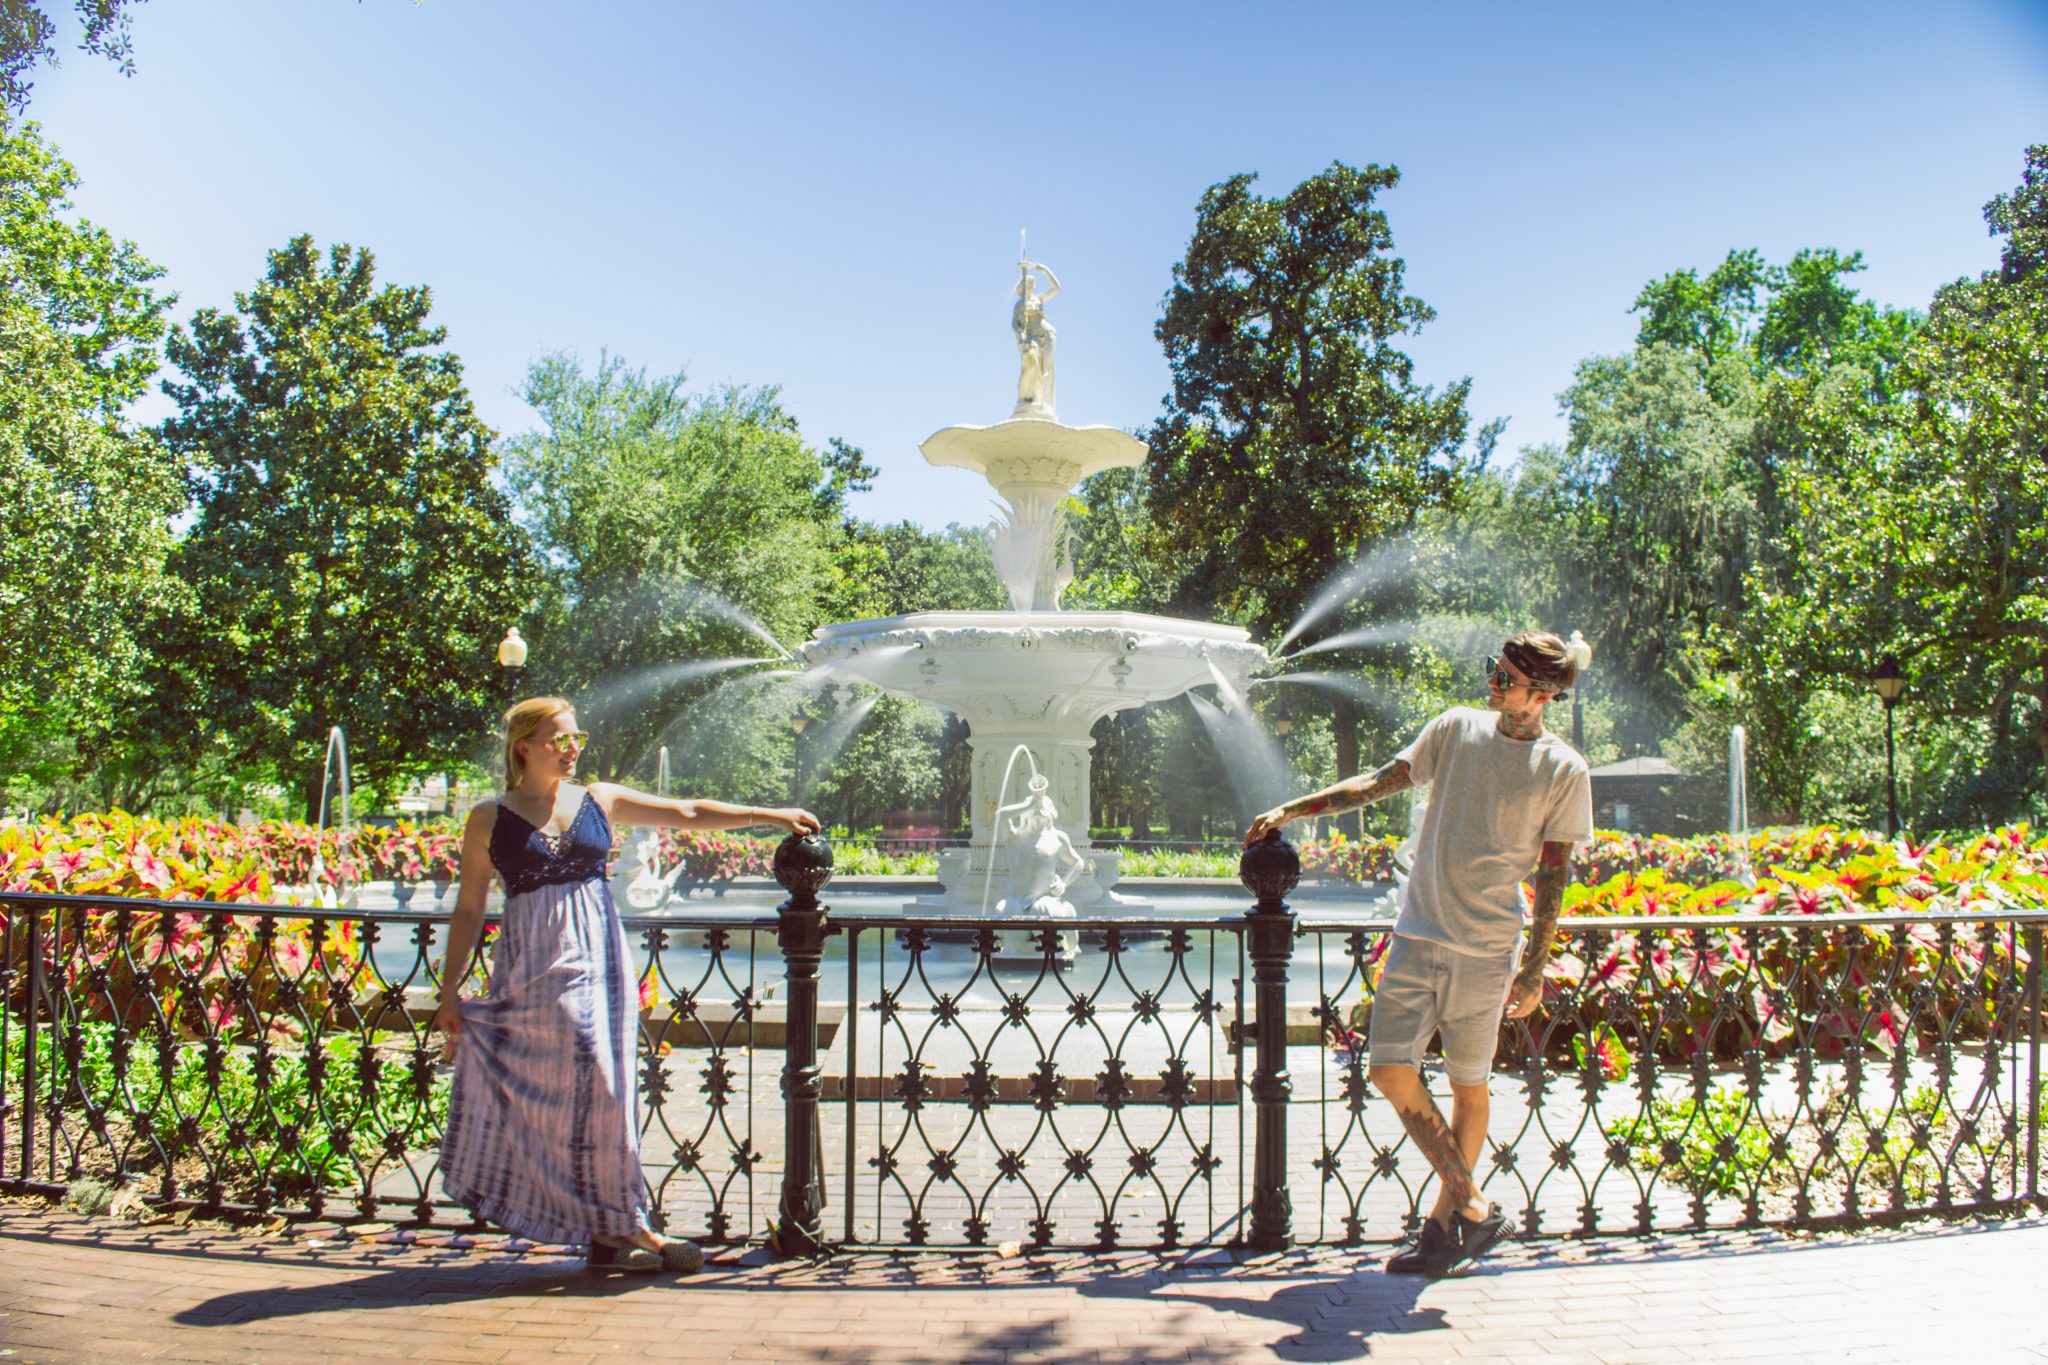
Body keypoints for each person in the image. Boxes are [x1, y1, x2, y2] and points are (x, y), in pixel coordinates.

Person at [1245, 631, 1592, 1278]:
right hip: (1419, 933)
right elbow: (1380, 783)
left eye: (1508, 677)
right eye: (1493, 668)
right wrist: (1292, 809)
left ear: (1543, 695)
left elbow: (1553, 876)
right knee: (1388, 1067)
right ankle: (1476, 1206)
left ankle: (1443, 1230)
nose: (1493, 682)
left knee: (1470, 1084)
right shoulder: (1457, 728)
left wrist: (1535, 966)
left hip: (1489, 952)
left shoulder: (1564, 769)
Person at [434, 697, 819, 1272]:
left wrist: (768, 814)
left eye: (576, 738)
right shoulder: (490, 817)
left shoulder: (598, 799)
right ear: (524, 746)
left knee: (608, 1089)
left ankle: (621, 1226)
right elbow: (468, 908)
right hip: (529, 963)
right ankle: (612, 1224)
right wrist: (449, 991)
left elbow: (686, 811)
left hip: (596, 955)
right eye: (558, 739)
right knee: (560, 1094)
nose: (571, 750)